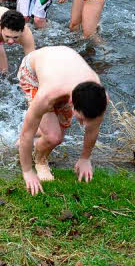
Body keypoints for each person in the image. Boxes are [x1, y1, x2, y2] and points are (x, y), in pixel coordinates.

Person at [17, 46, 108, 194]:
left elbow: (93, 127)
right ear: (71, 102)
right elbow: (26, 134)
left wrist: (85, 158)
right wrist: (27, 172)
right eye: (82, 119)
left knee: (57, 130)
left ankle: (39, 133)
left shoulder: (100, 97)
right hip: (32, 71)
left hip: (63, 64)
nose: (84, 125)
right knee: (54, 137)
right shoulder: (47, 95)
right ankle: (40, 161)